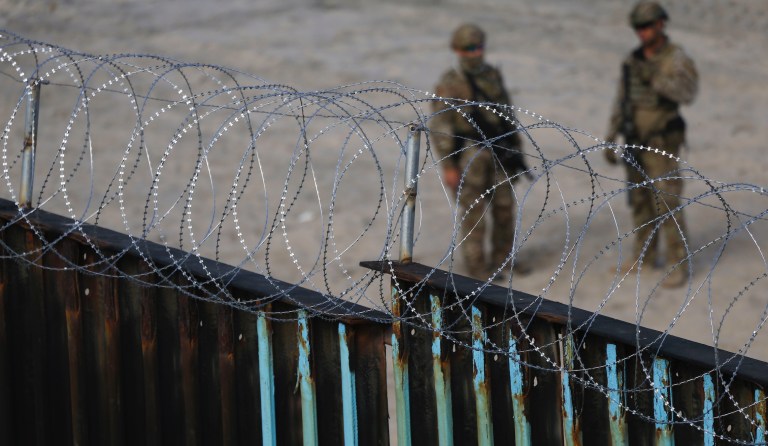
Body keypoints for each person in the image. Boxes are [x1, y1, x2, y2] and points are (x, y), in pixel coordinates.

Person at [604, 1, 698, 288]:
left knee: (667, 201)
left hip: (661, 141)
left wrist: (656, 78)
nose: (642, 33)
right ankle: (643, 255)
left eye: (647, 26)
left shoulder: (675, 58)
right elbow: (623, 99)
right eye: (638, 28)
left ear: (660, 24)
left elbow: (687, 92)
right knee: (641, 202)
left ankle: (677, 262)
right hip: (635, 141)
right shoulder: (633, 60)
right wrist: (611, 134)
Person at [429, 23, 530, 280]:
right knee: (474, 214)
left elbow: (506, 114)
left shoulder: (492, 76)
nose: (476, 53)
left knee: (505, 208)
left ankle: (503, 260)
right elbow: (441, 127)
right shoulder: (451, 83)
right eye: (469, 49)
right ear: (457, 50)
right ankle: (477, 270)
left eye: (479, 47)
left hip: (500, 150)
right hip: (470, 153)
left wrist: (516, 150)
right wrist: (449, 166)